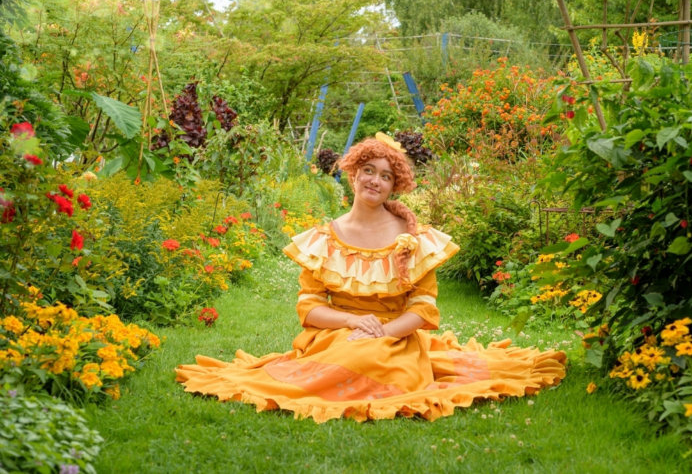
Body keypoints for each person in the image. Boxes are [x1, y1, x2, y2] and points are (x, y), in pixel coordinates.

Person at [176, 133, 567, 423]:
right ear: (352, 174)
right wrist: (353, 322)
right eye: (368, 171)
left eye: (385, 176)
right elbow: (309, 308)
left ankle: (361, 373)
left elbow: (423, 308)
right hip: (338, 331)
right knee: (352, 350)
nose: (375, 181)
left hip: (397, 336)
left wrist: (384, 332)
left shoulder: (412, 238)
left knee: (371, 353)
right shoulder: (325, 238)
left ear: (395, 186)